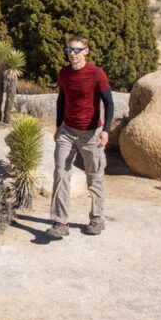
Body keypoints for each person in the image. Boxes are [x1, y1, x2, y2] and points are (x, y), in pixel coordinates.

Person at [45, 35, 113, 239]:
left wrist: (106, 130)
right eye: (69, 51)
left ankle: (97, 218)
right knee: (60, 173)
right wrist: (58, 126)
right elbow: (61, 99)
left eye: (76, 50)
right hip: (68, 131)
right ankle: (60, 222)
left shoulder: (96, 74)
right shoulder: (64, 73)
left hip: (91, 133)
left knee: (95, 176)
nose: (72, 54)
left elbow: (109, 104)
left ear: (86, 51)